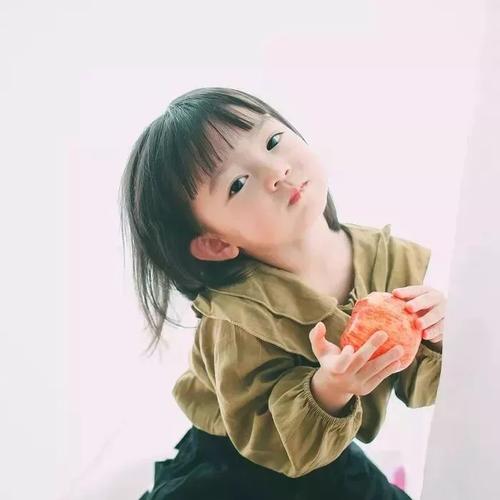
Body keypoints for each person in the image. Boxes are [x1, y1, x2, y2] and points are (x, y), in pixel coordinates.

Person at [120, 87, 443, 499]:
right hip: (238, 468)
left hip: (326, 455)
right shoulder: (238, 319)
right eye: (238, 183)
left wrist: (438, 333)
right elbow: (263, 436)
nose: (276, 171)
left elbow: (422, 387)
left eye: (272, 141)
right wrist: (330, 388)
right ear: (216, 243)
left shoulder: (388, 261)